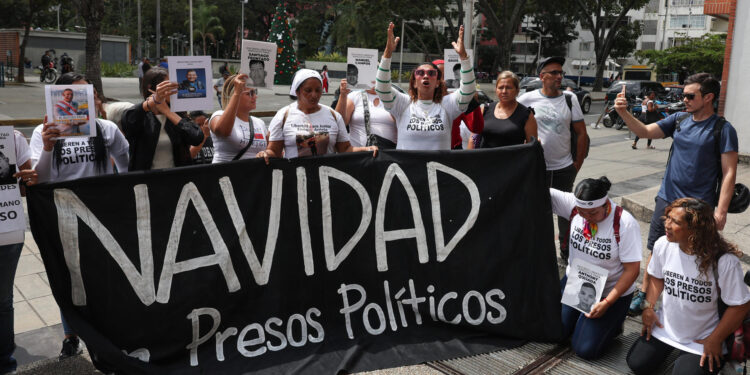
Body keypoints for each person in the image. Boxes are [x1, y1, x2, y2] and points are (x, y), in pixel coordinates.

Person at [617, 73, 739, 315]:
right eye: (683, 95)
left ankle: (693, 303)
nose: (684, 99)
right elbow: (643, 131)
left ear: (709, 98)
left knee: (697, 252)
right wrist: (623, 112)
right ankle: (644, 295)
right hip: (668, 200)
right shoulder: (679, 120)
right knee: (656, 247)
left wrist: (721, 211)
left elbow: (729, 173)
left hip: (698, 206)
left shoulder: (722, 129)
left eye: (690, 96)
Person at [29, 72, 130, 359]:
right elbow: (40, 179)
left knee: (102, 276)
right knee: (67, 278)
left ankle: (106, 334)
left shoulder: (106, 129)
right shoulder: (42, 132)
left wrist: (117, 192)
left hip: (99, 215)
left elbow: (125, 160)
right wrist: (48, 148)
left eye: (88, 93)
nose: (83, 98)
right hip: (61, 215)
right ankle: (71, 336)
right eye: (75, 93)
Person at [626, 198, 750, 375]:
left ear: (695, 230)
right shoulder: (663, 245)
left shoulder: (724, 261)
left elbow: (740, 306)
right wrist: (648, 307)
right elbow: (656, 277)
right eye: (667, 217)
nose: (666, 224)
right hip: (666, 329)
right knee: (636, 363)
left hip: (703, 338)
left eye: (675, 221)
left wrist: (715, 339)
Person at [551, 176, 642, 360]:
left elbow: (632, 270)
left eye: (592, 213)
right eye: (581, 212)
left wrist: (607, 302)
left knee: (584, 349)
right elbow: (536, 187)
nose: (586, 217)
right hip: (578, 283)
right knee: (554, 333)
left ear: (605, 204)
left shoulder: (625, 223)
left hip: (609, 292)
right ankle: (577, 319)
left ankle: (614, 323)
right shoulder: (575, 207)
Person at [518, 56, 587, 261]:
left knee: (566, 215)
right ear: (542, 76)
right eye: (554, 73)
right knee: (537, 211)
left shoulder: (569, 98)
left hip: (564, 167)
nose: (559, 77)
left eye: (561, 73)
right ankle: (538, 252)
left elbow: (582, 133)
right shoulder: (527, 99)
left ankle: (566, 253)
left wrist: (577, 164)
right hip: (536, 168)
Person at [374, 23, 476, 151]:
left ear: (438, 82)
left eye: (432, 73)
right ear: (414, 82)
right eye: (420, 73)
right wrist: (387, 53)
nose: (426, 76)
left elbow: (469, 90)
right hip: (406, 170)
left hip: (438, 170)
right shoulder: (403, 104)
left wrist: (463, 57)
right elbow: (381, 88)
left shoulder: (447, 105)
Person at [259, 69, 377, 161]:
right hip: (295, 182)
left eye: (318, 90)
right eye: (308, 90)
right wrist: (264, 154)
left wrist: (366, 150)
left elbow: (345, 149)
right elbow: (274, 151)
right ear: (297, 92)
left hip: (326, 182)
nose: (314, 95)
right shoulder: (283, 115)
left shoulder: (334, 116)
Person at [121, 67, 204, 170]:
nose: (173, 90)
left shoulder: (177, 113)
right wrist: (154, 102)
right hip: (145, 182)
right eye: (167, 86)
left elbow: (196, 138)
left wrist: (168, 112)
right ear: (150, 88)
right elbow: (127, 122)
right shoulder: (140, 114)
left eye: (174, 86)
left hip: (177, 179)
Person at [0, 130, 34, 375]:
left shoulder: (12, 138)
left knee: (2, 301)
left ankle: (5, 363)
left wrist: (28, 179)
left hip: (6, 230)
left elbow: (25, 188)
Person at [210, 74, 267, 163]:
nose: (255, 97)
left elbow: (272, 149)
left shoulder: (259, 122)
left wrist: (266, 153)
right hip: (226, 175)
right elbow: (222, 131)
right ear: (233, 95)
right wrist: (237, 92)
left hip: (253, 175)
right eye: (250, 93)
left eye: (255, 92)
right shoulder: (218, 115)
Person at [475, 71, 538, 148]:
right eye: (501, 88)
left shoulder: (526, 115)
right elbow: (473, 139)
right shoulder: (485, 109)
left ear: (517, 90)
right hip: (484, 159)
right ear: (496, 90)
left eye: (508, 87)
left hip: (513, 159)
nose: (504, 91)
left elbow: (532, 148)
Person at [431, 59, 483, 150]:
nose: (443, 80)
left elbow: (476, 128)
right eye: (439, 76)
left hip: (453, 152)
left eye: (445, 76)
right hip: (426, 152)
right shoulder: (418, 102)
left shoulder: (456, 101)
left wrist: (471, 100)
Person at [334, 78, 397, 149]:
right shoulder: (354, 96)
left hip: (388, 155)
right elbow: (339, 123)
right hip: (360, 156)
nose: (374, 80)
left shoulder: (393, 98)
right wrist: (343, 95)